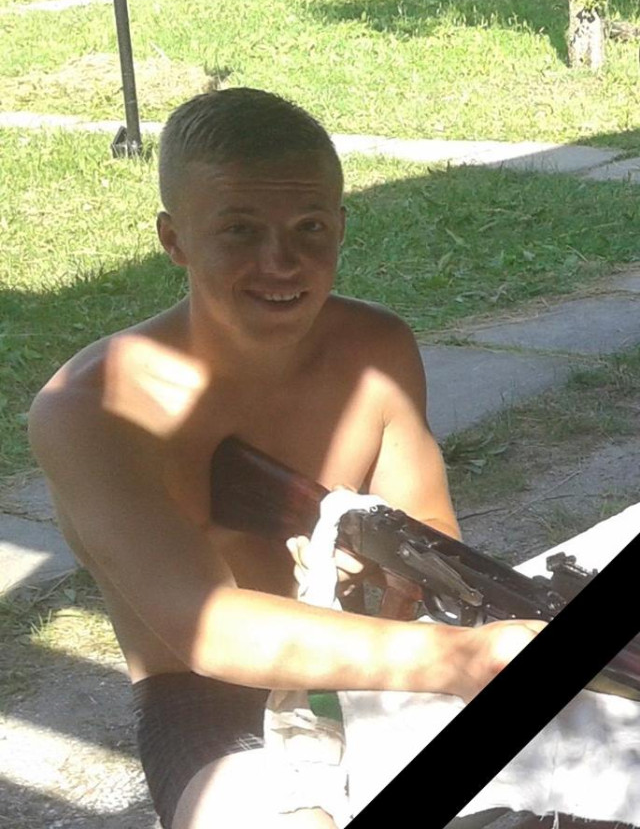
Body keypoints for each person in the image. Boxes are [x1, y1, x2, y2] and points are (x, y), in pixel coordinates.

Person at [28, 88, 544, 829]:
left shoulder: (376, 351)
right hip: (210, 709)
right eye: (239, 230)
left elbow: (432, 531)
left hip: (385, 670)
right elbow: (209, 630)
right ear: (174, 239)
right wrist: (456, 659)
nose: (281, 261)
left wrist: (400, 574)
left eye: (310, 227)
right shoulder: (91, 408)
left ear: (341, 226)